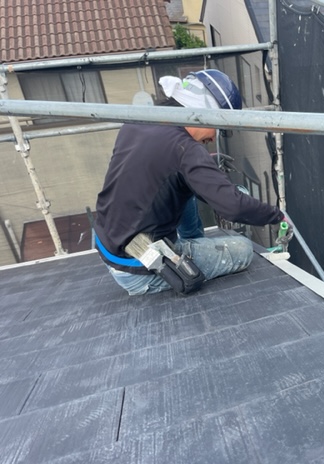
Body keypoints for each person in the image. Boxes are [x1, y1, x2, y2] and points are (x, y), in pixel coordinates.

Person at [93, 69, 284, 295]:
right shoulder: (186, 152)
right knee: (243, 250)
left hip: (108, 240)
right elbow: (234, 207)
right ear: (204, 114)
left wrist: (204, 165)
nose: (213, 138)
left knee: (184, 184)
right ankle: (191, 248)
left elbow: (157, 164)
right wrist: (277, 216)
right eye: (218, 128)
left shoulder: (140, 119)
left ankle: (194, 243)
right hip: (138, 265)